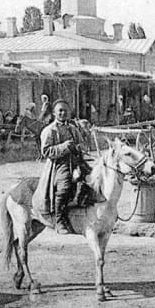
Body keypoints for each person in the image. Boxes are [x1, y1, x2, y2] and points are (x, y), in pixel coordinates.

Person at [32, 100, 89, 234]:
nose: (63, 113)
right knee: (64, 186)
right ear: (54, 113)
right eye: (60, 111)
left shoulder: (73, 129)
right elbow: (45, 151)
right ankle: (59, 220)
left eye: (65, 111)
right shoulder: (49, 130)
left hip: (76, 161)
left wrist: (80, 147)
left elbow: (83, 144)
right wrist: (64, 147)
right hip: (58, 164)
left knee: (94, 178)